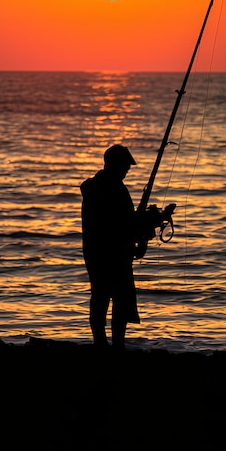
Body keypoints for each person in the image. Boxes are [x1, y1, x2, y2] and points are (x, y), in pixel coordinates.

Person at [80, 144, 142, 351]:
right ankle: (113, 346)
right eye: (125, 166)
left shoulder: (101, 186)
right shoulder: (110, 188)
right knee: (114, 297)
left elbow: (122, 222)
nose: (127, 170)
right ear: (114, 164)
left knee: (103, 296)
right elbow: (119, 223)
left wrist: (141, 226)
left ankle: (105, 344)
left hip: (101, 252)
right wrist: (143, 223)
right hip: (108, 253)